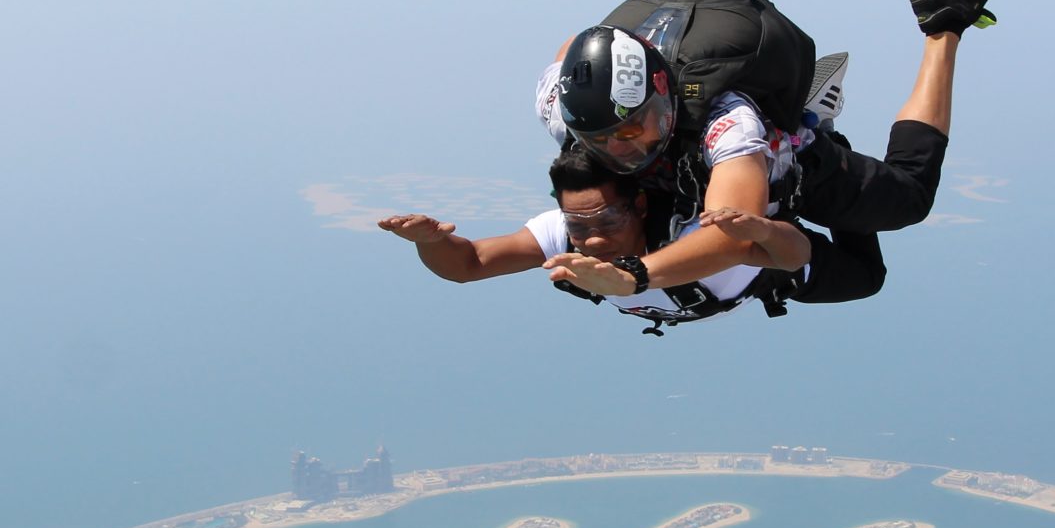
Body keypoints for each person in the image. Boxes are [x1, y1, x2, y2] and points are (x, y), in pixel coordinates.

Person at [538, 0, 1002, 302]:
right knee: (859, 276)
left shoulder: (727, 118)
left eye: (633, 129)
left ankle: (941, 28)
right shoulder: (564, 109)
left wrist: (634, 278)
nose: (619, 148)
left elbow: (731, 230)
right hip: (699, 177)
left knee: (909, 200)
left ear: (663, 94)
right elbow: (572, 51)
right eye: (599, 139)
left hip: (795, 168)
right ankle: (807, 121)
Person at [377, 145, 883, 332]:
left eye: (605, 222)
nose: (592, 239)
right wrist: (429, 242)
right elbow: (468, 265)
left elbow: (793, 254)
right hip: (758, 262)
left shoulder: (694, 231)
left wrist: (767, 230)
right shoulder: (567, 231)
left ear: (639, 204)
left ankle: (937, 36)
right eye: (578, 224)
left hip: (773, 270)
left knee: (870, 272)